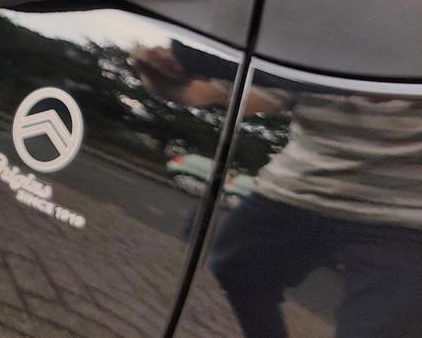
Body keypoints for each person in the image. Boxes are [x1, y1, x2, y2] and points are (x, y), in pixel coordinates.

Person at [133, 42, 422, 338]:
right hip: (295, 191)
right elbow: (217, 93)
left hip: (401, 217)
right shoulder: (324, 41)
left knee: (379, 330)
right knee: (233, 264)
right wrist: (166, 80)